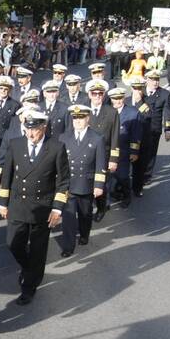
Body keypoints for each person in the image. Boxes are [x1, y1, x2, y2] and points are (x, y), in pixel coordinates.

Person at [0, 111, 69, 305]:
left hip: (42, 207)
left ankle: (29, 286)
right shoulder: (16, 145)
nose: (30, 134)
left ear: (43, 128)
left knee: (38, 250)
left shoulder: (56, 147)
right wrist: (3, 203)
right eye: (27, 129)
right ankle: (29, 268)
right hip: (17, 205)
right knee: (13, 244)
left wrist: (57, 209)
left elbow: (63, 182)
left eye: (35, 130)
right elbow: (7, 176)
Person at [57, 104, 106, 256]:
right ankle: (68, 246)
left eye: (81, 118)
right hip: (69, 185)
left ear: (88, 118)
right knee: (68, 218)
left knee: (85, 214)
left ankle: (84, 234)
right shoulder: (64, 137)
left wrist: (98, 185)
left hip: (86, 184)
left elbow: (100, 164)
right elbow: (59, 163)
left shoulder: (97, 138)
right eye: (75, 118)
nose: (78, 121)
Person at [85, 80, 119, 221]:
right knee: (86, 182)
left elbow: (115, 136)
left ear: (104, 95)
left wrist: (113, 159)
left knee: (101, 184)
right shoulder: (82, 110)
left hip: (103, 155)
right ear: (89, 94)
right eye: (94, 93)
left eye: (100, 93)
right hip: (86, 154)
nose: (97, 96)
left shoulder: (111, 112)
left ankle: (101, 208)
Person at [108, 86, 141, 208]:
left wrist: (134, 151)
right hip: (109, 151)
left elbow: (136, 134)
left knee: (123, 176)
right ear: (111, 99)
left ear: (123, 98)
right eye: (114, 99)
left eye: (120, 98)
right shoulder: (107, 112)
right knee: (108, 177)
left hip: (124, 151)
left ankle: (127, 196)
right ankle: (111, 196)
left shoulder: (133, 113)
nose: (117, 101)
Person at [140, 70, 170, 185]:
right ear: (147, 80)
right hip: (139, 127)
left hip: (154, 128)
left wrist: (168, 130)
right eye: (152, 80)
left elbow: (167, 112)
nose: (155, 82)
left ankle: (147, 175)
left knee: (151, 153)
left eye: (157, 80)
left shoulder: (164, 94)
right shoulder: (140, 91)